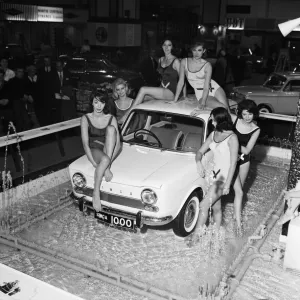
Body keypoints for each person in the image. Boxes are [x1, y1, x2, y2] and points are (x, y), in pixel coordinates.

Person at [189, 107, 239, 244]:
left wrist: (228, 184)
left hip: (222, 178)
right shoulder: (213, 134)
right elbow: (199, 152)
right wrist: (198, 162)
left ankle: (195, 238)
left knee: (203, 205)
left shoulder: (232, 138)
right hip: (212, 175)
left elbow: (233, 163)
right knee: (216, 207)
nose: (211, 120)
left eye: (212, 117)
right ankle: (217, 235)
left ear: (219, 119)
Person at [118, 38, 181, 123]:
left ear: (172, 47)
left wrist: (182, 97)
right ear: (162, 47)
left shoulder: (176, 61)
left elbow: (182, 80)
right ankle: (143, 123)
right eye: (164, 45)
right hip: (162, 89)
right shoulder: (160, 60)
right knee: (142, 98)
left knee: (143, 89)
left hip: (171, 92)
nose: (166, 47)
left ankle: (127, 116)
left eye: (169, 45)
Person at [81, 92, 121, 212]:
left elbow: (117, 144)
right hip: (94, 148)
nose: (99, 106)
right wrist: (94, 163)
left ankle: (106, 164)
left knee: (111, 129)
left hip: (107, 148)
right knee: (103, 159)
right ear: (92, 102)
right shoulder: (86, 118)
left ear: (105, 104)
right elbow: (85, 144)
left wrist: (106, 166)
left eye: (102, 102)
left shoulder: (111, 118)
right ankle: (96, 193)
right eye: (96, 102)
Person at [173, 41, 229, 116]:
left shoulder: (207, 65)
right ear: (191, 50)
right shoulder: (184, 62)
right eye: (194, 50)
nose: (196, 53)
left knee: (227, 112)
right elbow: (181, 82)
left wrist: (203, 103)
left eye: (199, 50)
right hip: (200, 93)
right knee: (223, 108)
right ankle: (204, 111)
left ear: (204, 51)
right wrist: (175, 100)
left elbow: (206, 86)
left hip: (214, 88)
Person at [232, 100, 260, 232]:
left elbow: (247, 150)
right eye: (245, 114)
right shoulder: (234, 120)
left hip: (244, 161)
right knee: (232, 189)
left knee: (239, 191)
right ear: (240, 113)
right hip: (229, 159)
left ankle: (235, 218)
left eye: (250, 114)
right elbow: (217, 113)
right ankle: (238, 223)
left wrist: (232, 142)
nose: (248, 117)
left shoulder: (256, 129)